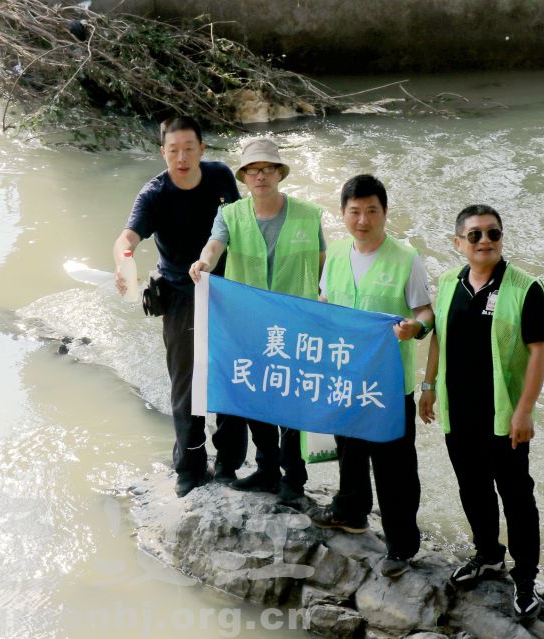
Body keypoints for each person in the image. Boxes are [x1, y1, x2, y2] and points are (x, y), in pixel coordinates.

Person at [419, 204, 544, 619]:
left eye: (492, 233)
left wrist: (524, 411)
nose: (485, 241)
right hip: (459, 412)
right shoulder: (446, 283)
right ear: (458, 243)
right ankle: (488, 556)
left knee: (516, 496)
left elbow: (539, 351)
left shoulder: (525, 288)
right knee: (472, 487)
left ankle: (526, 579)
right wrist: (428, 385)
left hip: (503, 416)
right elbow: (437, 336)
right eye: (474, 235)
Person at [307, 174, 433, 578]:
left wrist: (416, 329)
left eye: (371, 211)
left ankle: (401, 545)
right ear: (343, 213)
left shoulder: (405, 258)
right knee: (349, 450)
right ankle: (351, 510)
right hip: (345, 375)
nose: (363, 220)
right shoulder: (337, 255)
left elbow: (426, 313)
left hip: (388, 385)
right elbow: (325, 303)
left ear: (384, 213)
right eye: (355, 211)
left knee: (394, 466)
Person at [188, 138, 326, 505]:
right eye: (253, 170)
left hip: (293, 323)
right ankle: (267, 469)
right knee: (255, 393)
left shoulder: (308, 215)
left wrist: (327, 298)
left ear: (279, 174)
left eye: (268, 168)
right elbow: (215, 245)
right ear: (244, 177)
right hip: (247, 322)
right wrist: (203, 263)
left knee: (291, 399)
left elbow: (326, 264)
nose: (261, 175)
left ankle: (294, 478)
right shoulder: (230, 214)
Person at [113, 116, 244, 498]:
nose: (182, 158)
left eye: (189, 149)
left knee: (232, 377)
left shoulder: (220, 177)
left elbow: (240, 227)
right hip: (180, 294)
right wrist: (124, 261)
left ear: (203, 149)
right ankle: (189, 466)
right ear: (162, 153)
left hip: (225, 289)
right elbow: (127, 236)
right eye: (174, 151)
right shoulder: (154, 194)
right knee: (187, 384)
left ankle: (229, 463)